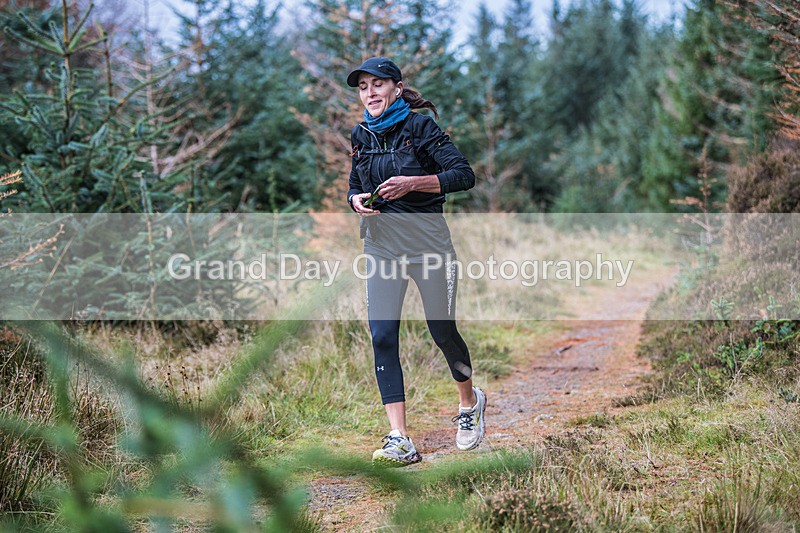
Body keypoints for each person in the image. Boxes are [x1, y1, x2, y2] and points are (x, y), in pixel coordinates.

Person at [345, 57, 487, 467]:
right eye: (363, 87)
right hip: (382, 247)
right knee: (382, 335)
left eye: (377, 85)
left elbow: (464, 175)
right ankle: (399, 438)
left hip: (429, 247)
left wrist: (413, 184)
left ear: (396, 87)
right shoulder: (361, 134)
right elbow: (356, 183)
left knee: (441, 331)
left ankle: (468, 403)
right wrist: (355, 200)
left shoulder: (420, 127)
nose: (369, 93)